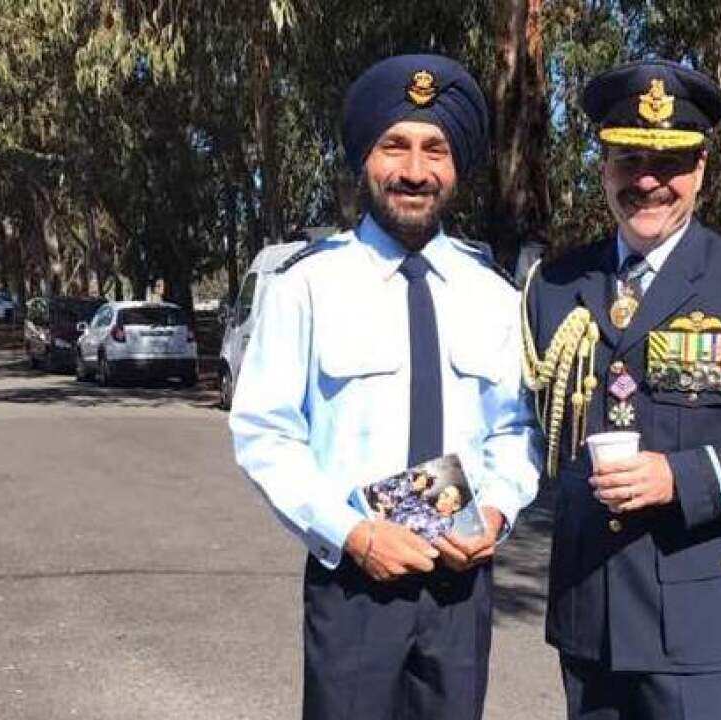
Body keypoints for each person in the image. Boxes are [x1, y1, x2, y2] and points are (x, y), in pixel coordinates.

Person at [522, 59, 721, 720]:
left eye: (668, 163)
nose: (647, 180)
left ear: (699, 169)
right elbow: (522, 419)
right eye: (628, 158)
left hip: (704, 616)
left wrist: (681, 477)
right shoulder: (554, 285)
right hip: (590, 609)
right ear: (604, 165)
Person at [230, 54, 541, 720]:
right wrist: (351, 534)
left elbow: (516, 429)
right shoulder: (305, 286)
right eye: (393, 146)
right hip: (354, 580)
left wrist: (498, 510)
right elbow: (265, 431)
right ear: (363, 160)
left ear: (456, 169)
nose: (414, 170)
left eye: (435, 150)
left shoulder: (492, 295)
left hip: (460, 583)